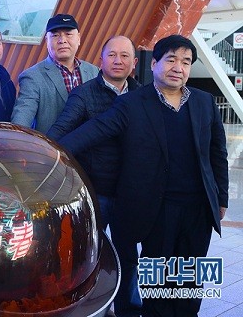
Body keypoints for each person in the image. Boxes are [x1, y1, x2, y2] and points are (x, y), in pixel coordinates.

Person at [58, 35, 229, 317]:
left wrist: (221, 198)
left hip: (197, 209)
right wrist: (52, 151)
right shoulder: (132, 104)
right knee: (157, 280)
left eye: (186, 62)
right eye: (171, 60)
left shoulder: (204, 102)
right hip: (157, 210)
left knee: (191, 277)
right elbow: (93, 132)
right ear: (154, 64)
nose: (178, 67)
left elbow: (217, 154)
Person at [47, 35, 141, 316]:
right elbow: (59, 133)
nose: (118, 61)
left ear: (134, 63)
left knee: (127, 255)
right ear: (100, 60)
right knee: (90, 254)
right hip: (95, 191)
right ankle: (90, 309)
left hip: (129, 192)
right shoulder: (84, 94)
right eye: (112, 55)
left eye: (124, 56)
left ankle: (127, 309)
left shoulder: (142, 95)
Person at [11, 14, 98, 133]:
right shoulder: (32, 76)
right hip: (52, 144)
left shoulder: (94, 71)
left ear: (78, 38)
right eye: (55, 35)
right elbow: (22, 119)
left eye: (68, 34)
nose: (62, 40)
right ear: (47, 40)